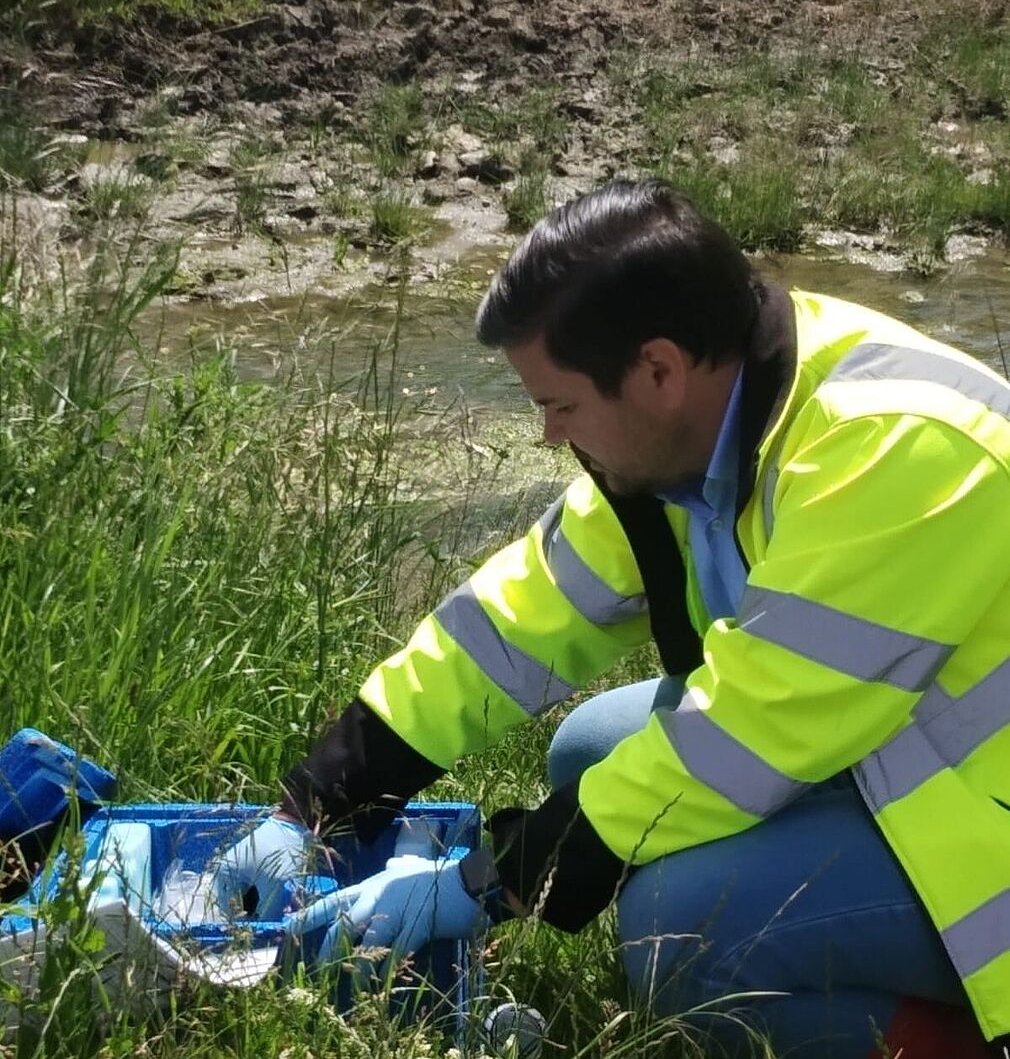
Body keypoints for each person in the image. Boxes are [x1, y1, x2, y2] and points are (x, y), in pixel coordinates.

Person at [215, 179, 1010, 1058]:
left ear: (658, 370)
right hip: (894, 747)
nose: (552, 436)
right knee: (590, 746)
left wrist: (484, 887)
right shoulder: (710, 423)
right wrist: (316, 802)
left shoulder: (895, 449)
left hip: (984, 818)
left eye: (560, 405)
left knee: (681, 931)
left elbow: (745, 740)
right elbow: (517, 619)